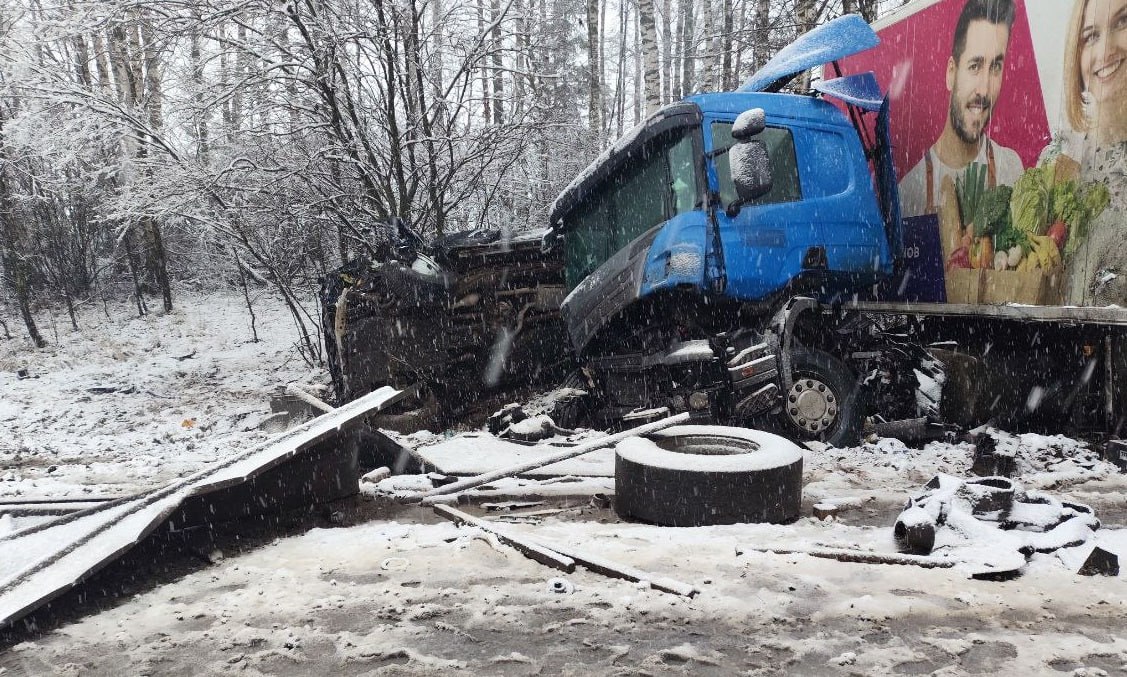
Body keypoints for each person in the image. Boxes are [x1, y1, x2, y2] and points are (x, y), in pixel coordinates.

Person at [898, 0, 1024, 229]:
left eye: (995, 66)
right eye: (975, 66)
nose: (984, 90)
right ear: (951, 73)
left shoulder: (1011, 168)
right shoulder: (909, 191)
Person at [1060, 0, 1127, 305]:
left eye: (1123, 22)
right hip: (1071, 342)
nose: (1104, 51)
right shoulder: (1061, 161)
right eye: (1090, 36)